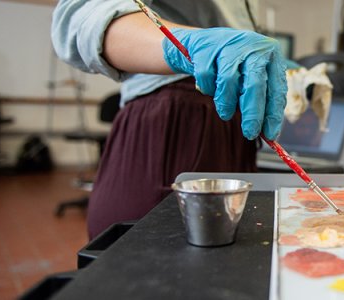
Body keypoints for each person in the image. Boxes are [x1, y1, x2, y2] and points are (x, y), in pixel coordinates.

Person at [52, 0, 288, 239]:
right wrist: (183, 45)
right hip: (174, 125)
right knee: (154, 254)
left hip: (232, 132)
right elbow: (83, 15)